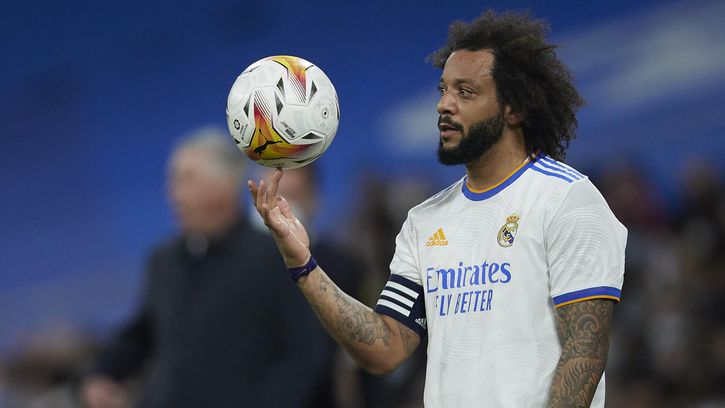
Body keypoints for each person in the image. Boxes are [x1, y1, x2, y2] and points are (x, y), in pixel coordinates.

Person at [249, 10, 627, 408]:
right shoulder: (425, 220)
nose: (444, 105)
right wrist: (304, 265)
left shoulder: (566, 200)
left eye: (466, 92)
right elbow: (385, 347)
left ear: (514, 108)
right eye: (443, 89)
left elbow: (584, 354)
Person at [80, 128, 326, 408]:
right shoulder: (164, 261)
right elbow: (142, 333)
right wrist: (101, 374)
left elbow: (303, 352)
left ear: (225, 185)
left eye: (185, 179)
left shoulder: (273, 257)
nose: (172, 194)